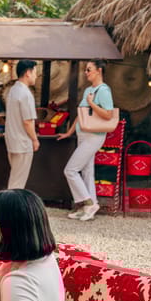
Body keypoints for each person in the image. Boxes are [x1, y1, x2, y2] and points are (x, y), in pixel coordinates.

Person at [57, 59, 114, 221]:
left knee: (70, 170)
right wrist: (69, 132)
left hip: (94, 136)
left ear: (99, 71)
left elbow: (108, 114)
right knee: (87, 172)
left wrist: (91, 104)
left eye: (89, 69)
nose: (86, 72)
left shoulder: (103, 90)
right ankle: (89, 207)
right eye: (86, 70)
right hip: (83, 135)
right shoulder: (89, 90)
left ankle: (86, 202)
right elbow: (80, 114)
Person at [4, 60, 39, 189]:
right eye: (35, 72)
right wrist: (35, 139)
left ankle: (11, 201)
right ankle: (10, 202)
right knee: (17, 184)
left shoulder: (13, 90)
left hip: (12, 142)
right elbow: (27, 121)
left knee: (15, 179)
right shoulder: (25, 94)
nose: (36, 76)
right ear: (28, 73)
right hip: (23, 143)